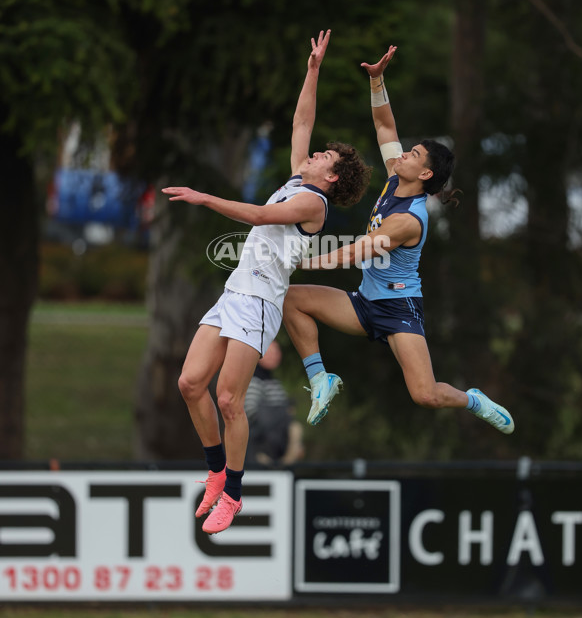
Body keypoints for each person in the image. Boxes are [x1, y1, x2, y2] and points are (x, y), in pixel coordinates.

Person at [162, 30, 371, 534]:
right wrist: (314, 69)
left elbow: (258, 214)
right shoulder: (303, 178)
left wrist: (203, 198)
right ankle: (216, 472)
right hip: (234, 292)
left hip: (259, 305)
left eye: (324, 158)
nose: (315, 153)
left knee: (231, 399)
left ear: (334, 178)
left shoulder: (313, 204)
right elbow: (303, 118)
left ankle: (233, 494)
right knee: (191, 384)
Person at [282, 44, 515, 436]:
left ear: (424, 175)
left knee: (425, 395)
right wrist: (376, 79)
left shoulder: (410, 220)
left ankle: (474, 399)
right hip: (364, 303)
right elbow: (385, 127)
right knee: (291, 299)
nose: (403, 154)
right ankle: (321, 379)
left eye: (414, 155)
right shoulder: (396, 177)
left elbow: (358, 251)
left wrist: (300, 260)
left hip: (397, 308)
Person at [245, 339, 305, 466]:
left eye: (277, 351)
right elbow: (250, 412)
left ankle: (284, 463)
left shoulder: (274, 382)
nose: (275, 355)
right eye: (270, 352)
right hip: (260, 442)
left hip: (277, 440)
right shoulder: (254, 381)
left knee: (296, 429)